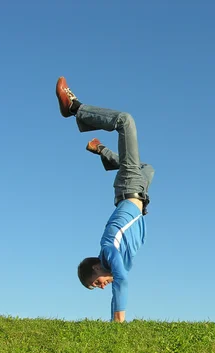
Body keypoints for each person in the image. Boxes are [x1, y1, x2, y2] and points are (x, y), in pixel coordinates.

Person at [55, 76, 155, 322]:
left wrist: (118, 320)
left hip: (128, 189)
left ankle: (75, 108)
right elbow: (117, 284)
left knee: (125, 121)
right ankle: (100, 150)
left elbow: (120, 281)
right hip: (137, 190)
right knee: (148, 168)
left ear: (97, 267)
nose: (101, 286)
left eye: (95, 282)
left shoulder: (109, 251)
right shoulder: (119, 259)